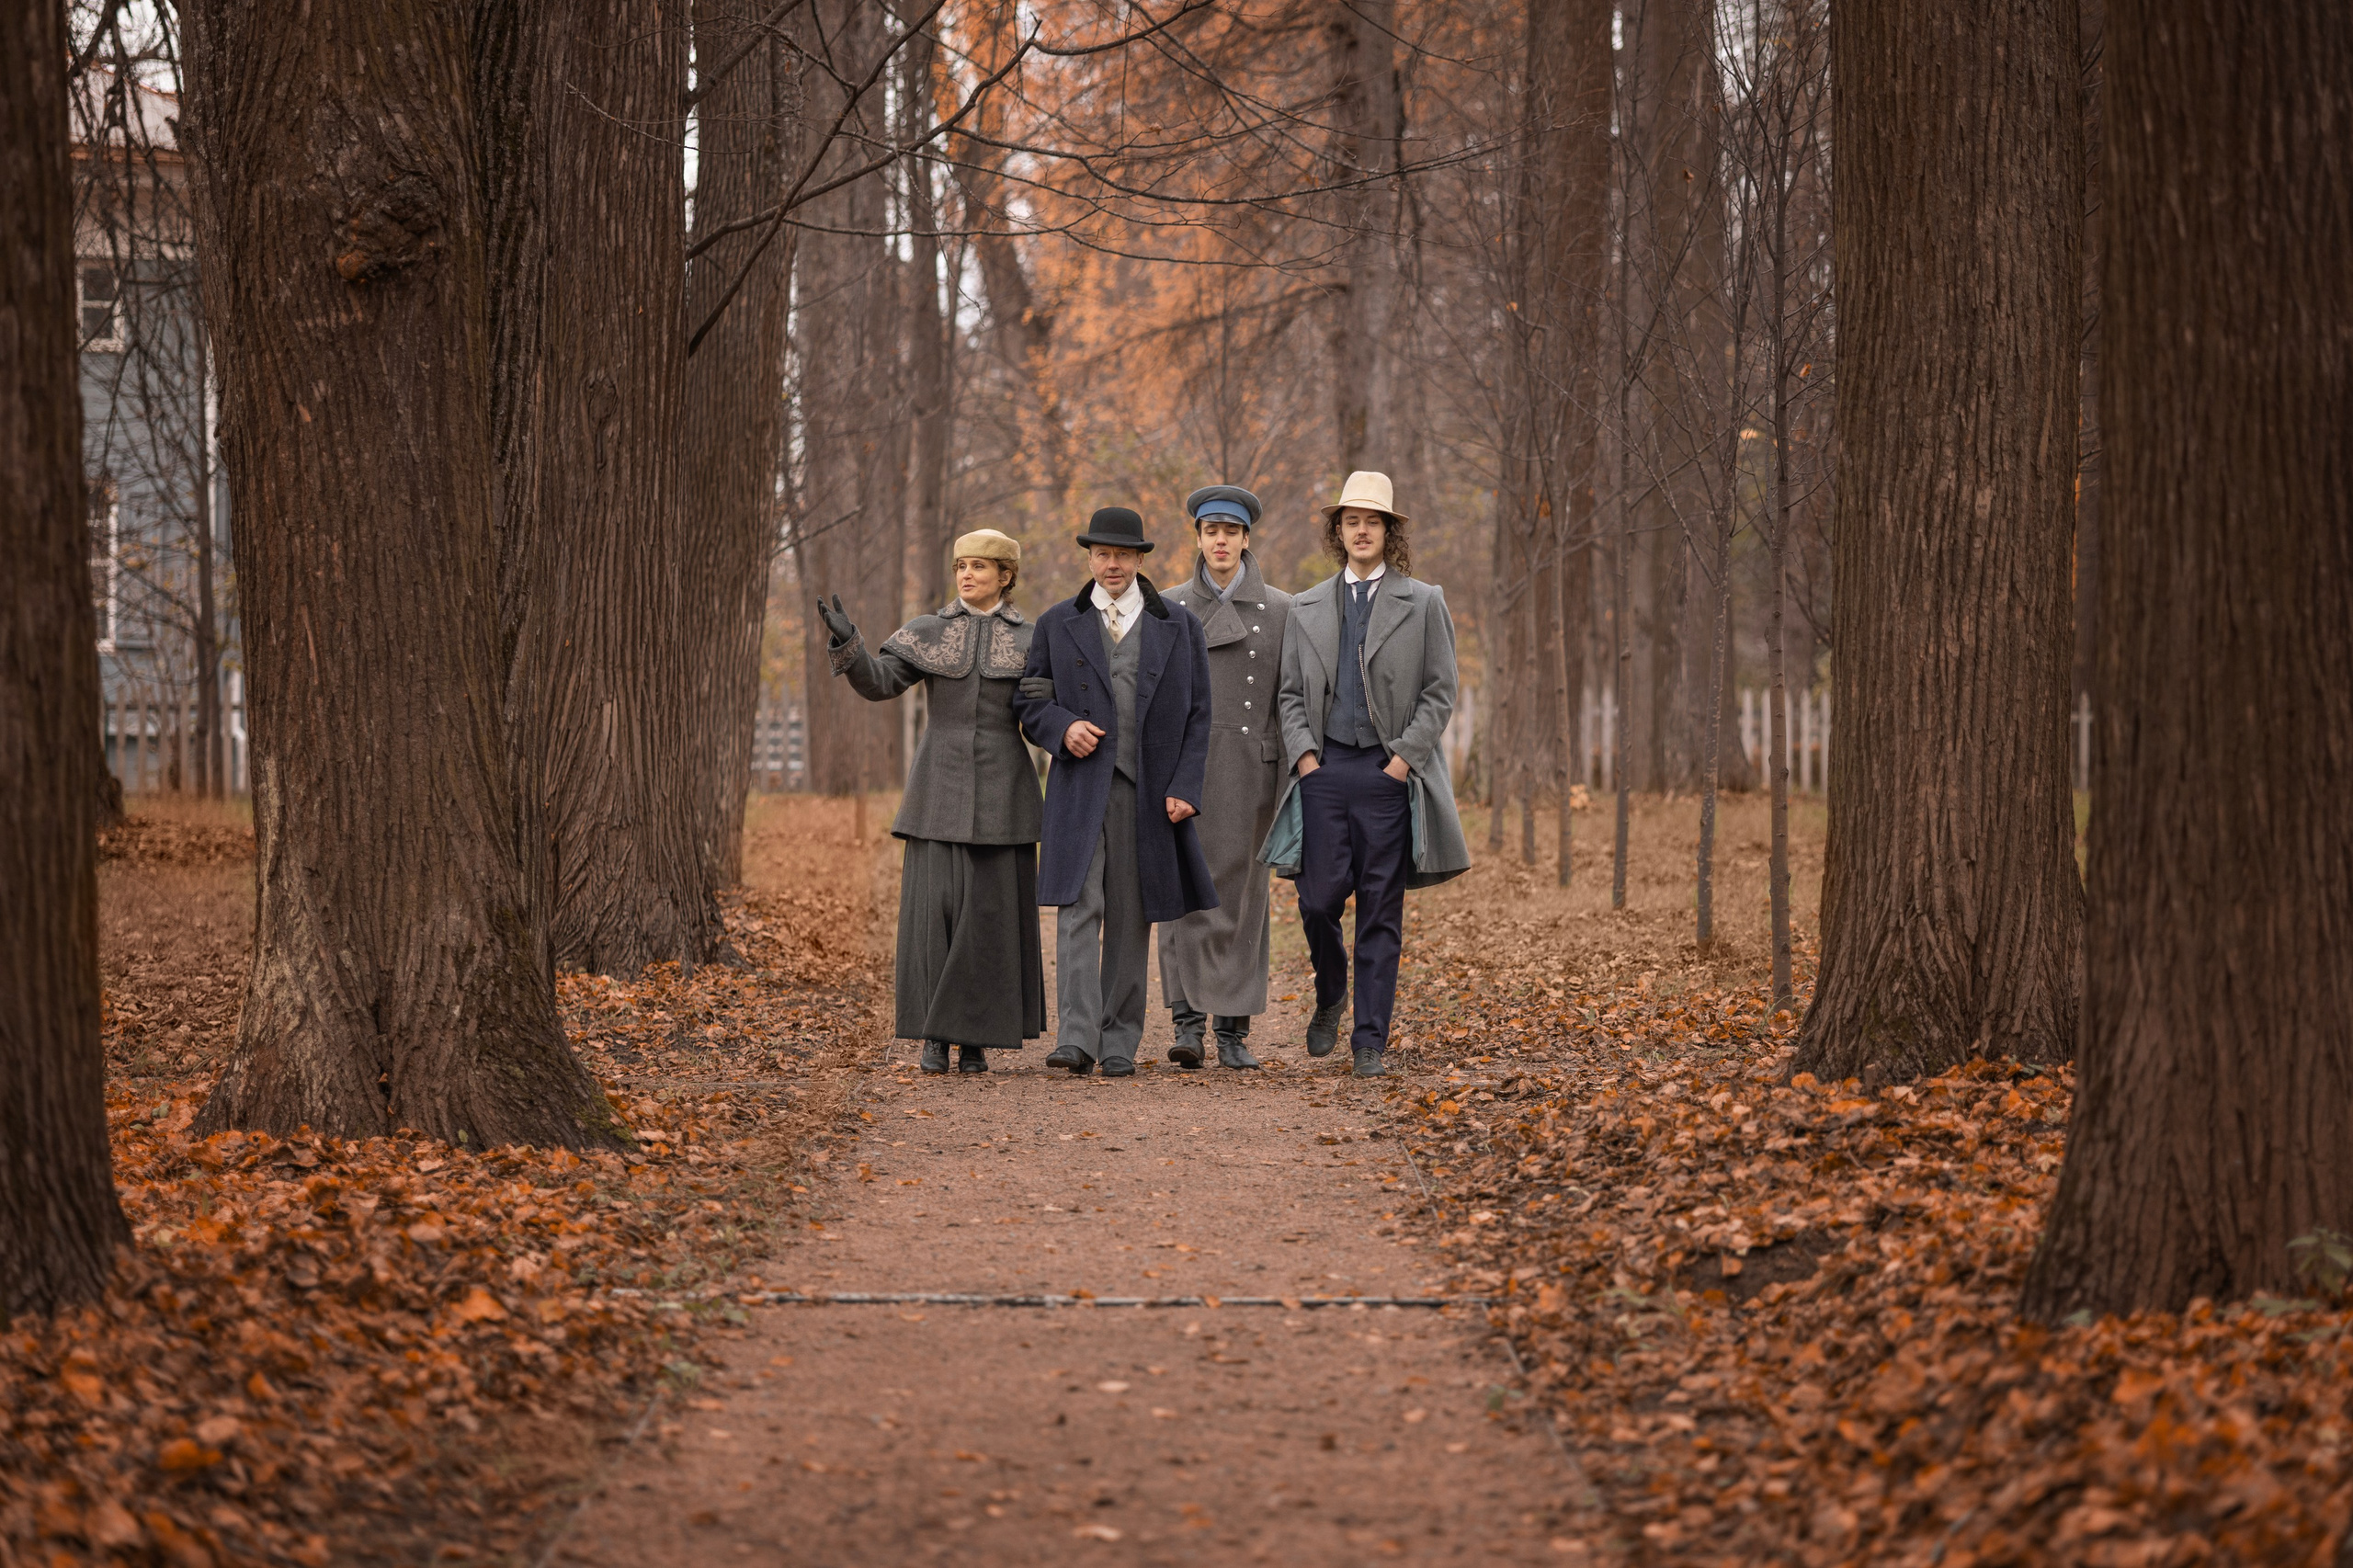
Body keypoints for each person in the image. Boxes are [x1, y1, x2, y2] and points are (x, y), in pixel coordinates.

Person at [1258, 471, 1471, 1078]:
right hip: (1324, 769)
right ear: (1338, 530)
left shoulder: (1424, 601)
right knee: (1318, 899)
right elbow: (1291, 693)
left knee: (1381, 908)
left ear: (1388, 532)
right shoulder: (1306, 607)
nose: (1361, 530)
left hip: (1387, 773)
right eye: (1351, 520)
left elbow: (1440, 690)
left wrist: (1402, 761)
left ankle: (1369, 1040)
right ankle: (1332, 990)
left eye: (1372, 521)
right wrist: (1305, 758)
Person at [816, 529, 1044, 1076]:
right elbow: (880, 684)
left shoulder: (1036, 638)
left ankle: (975, 1043)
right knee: (932, 914)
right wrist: (850, 647)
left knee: (989, 919)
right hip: (935, 791)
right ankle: (934, 1038)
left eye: (981, 567)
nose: (967, 575)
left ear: (1006, 576)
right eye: (961, 565)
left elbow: (1044, 713)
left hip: (1005, 795)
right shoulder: (927, 631)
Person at [1017, 506, 1218, 1078]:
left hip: (1147, 792)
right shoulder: (1057, 623)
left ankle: (1119, 1041)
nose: (1112, 564)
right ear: (1089, 558)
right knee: (1078, 907)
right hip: (1080, 790)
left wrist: (1185, 786)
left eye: (1123, 555)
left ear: (1140, 560)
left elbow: (1200, 715)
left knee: (1132, 914)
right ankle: (1074, 1037)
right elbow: (1030, 700)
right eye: (1102, 554)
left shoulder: (1178, 626)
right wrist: (1061, 728)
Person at [1156, 484, 1294, 1070]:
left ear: (1245, 539)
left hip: (1250, 770)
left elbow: (1290, 700)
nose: (1220, 540)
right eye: (1210, 530)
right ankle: (1187, 1025)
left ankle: (1233, 1030)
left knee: (1241, 897)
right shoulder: (1166, 605)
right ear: (1198, 537)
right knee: (1183, 888)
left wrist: (1291, 776)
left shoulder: (1283, 610)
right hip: (1184, 767)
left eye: (1231, 531)